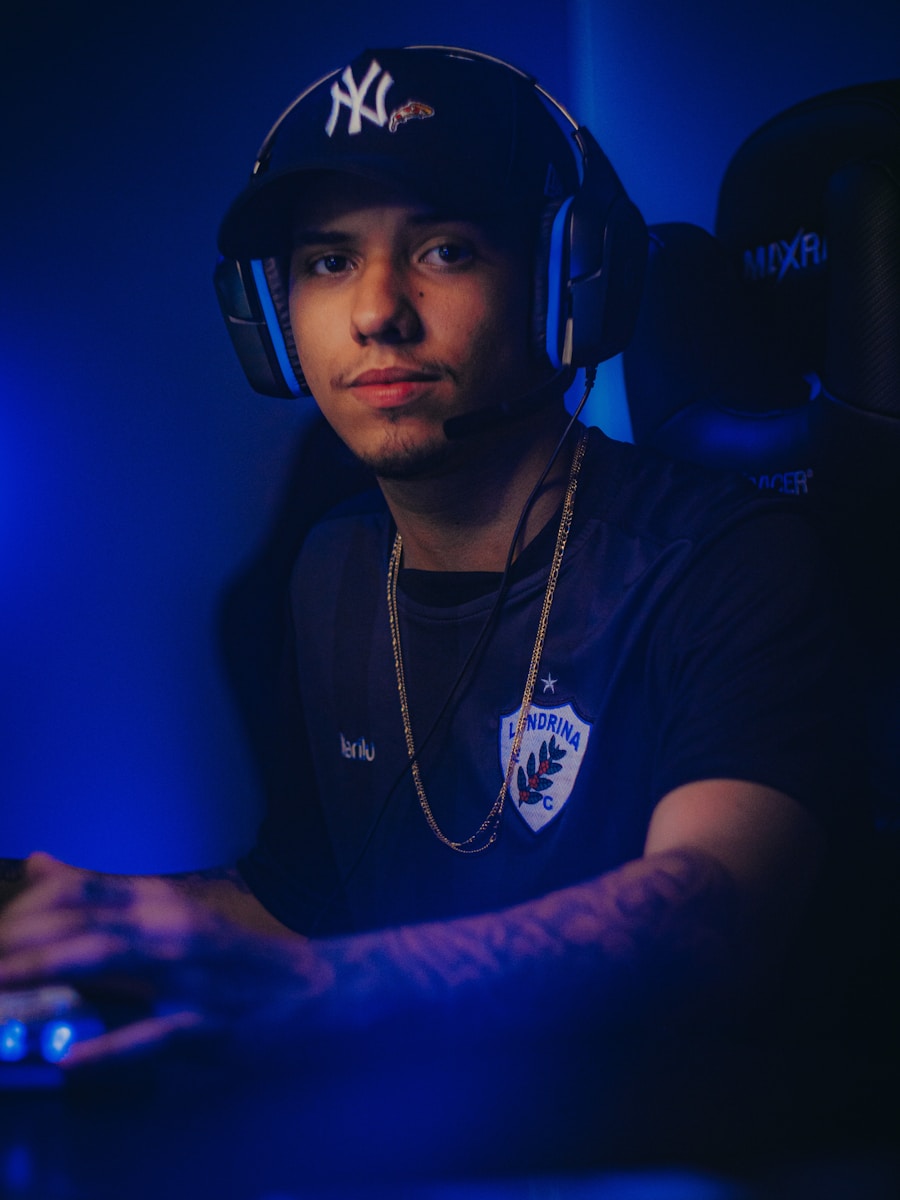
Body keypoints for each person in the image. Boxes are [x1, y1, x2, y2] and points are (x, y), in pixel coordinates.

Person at [0, 46, 858, 1172]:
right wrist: (82, 917)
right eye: (325, 261)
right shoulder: (332, 568)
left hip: (670, 1166)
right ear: (271, 318)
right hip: (422, 1144)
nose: (376, 313)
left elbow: (708, 916)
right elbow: (306, 905)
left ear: (570, 278)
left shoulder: (729, 558)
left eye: (445, 250)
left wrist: (301, 992)